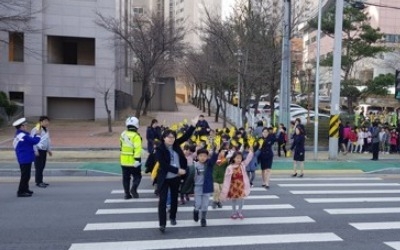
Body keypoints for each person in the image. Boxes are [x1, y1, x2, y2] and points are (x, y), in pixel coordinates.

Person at [156, 116, 198, 233]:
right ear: (164, 138)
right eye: (169, 137)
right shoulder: (159, 149)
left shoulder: (175, 145)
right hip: (165, 178)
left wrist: (193, 125)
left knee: (174, 199)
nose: (171, 139)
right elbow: (163, 165)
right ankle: (162, 224)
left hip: (175, 178)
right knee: (163, 201)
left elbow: (186, 136)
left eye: (173, 137)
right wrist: (177, 170)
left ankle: (173, 217)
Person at [220, 149, 254, 219]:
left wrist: (251, 151)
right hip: (233, 186)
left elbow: (248, 159)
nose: (239, 159)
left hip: (241, 186)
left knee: (242, 199)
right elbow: (226, 178)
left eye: (240, 158)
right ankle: (234, 213)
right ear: (233, 158)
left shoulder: (242, 165)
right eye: (237, 158)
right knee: (234, 200)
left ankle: (240, 212)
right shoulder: (230, 167)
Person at [12, 118, 41, 197]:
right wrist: (38, 134)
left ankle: (25, 189)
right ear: (21, 126)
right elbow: (34, 141)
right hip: (25, 158)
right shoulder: (23, 135)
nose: (27, 126)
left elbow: (30, 140)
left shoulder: (20, 134)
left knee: (27, 175)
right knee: (25, 176)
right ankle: (21, 191)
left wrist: (35, 135)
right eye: (25, 125)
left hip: (24, 158)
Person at [192, 148, 218, 227]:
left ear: (207, 157)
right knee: (198, 204)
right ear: (197, 157)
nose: (203, 157)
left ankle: (203, 219)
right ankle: (196, 211)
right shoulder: (194, 165)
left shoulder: (208, 164)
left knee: (205, 205)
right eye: (201, 156)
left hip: (207, 187)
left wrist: (216, 152)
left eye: (204, 156)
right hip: (197, 187)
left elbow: (213, 159)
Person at [120, 116, 143, 199]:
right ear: (137, 125)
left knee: (125, 178)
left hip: (123, 161)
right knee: (137, 176)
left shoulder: (123, 134)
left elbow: (121, 146)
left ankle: (127, 194)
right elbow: (138, 149)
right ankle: (133, 189)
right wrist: (137, 160)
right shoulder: (136, 136)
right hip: (134, 162)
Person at [31, 116, 52, 188]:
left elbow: (47, 140)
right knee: (39, 167)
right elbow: (33, 140)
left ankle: (41, 181)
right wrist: (35, 150)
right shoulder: (37, 128)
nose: (47, 123)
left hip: (44, 150)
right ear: (41, 122)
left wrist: (49, 150)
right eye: (45, 121)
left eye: (47, 121)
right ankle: (38, 182)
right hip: (38, 150)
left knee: (42, 166)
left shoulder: (46, 129)